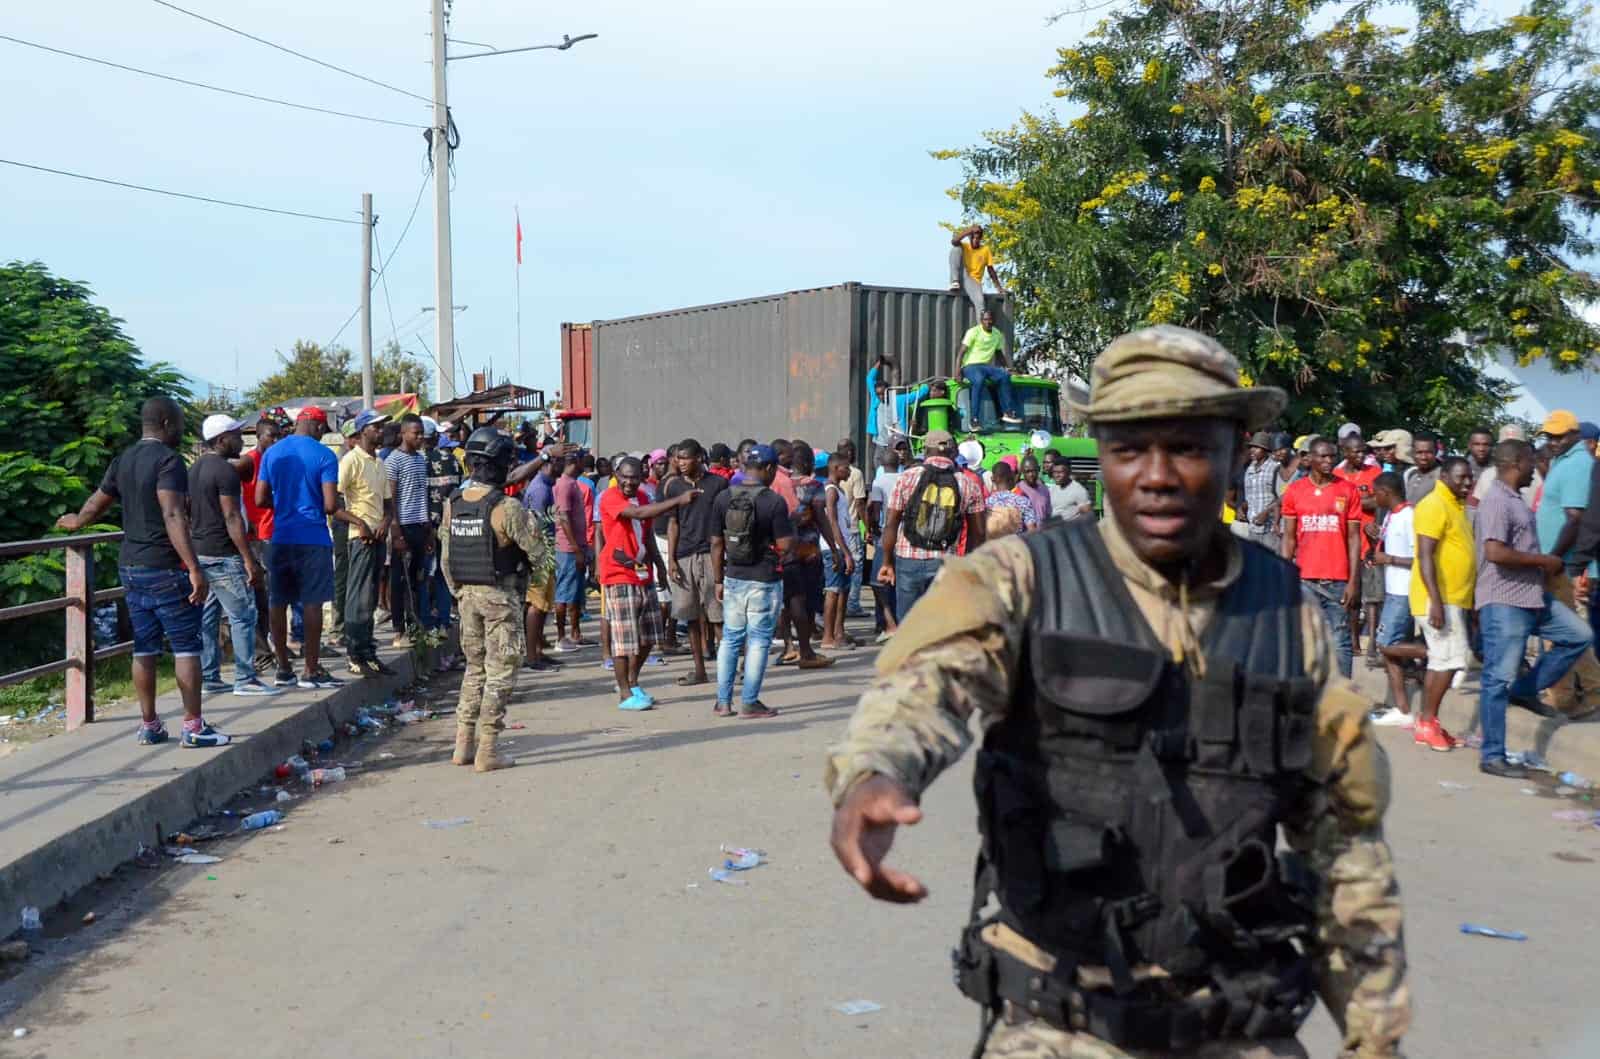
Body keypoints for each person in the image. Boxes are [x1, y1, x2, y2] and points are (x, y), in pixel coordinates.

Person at [826, 325, 1407, 1059]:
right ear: (1101, 453)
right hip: (1057, 1024)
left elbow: (1345, 849)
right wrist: (875, 773)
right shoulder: (1019, 577)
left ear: (1235, 451)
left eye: (1189, 446)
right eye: (1130, 447)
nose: (1157, 474)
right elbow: (923, 684)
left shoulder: (1287, 615)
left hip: (1237, 1021)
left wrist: (1375, 1034)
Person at [56, 397, 231, 747]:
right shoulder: (169, 461)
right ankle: (194, 727)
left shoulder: (124, 458)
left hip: (130, 567)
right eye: (180, 423)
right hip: (163, 566)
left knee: (144, 648)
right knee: (186, 647)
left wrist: (78, 521)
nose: (182, 430)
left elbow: (98, 499)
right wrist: (194, 568)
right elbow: (172, 515)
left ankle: (150, 725)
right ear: (166, 423)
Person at [1476, 439, 1596, 780]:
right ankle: (1492, 755)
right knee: (1497, 677)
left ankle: (1525, 690)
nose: (1536, 466)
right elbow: (1496, 553)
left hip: (1532, 595)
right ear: (1517, 462)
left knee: (1578, 635)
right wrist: (1544, 560)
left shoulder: (1515, 499)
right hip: (1505, 599)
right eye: (1531, 460)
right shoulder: (1498, 500)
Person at [440, 427, 551, 772]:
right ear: (498, 464)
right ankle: (487, 750)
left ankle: (463, 746)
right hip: (500, 597)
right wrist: (531, 587)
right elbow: (539, 555)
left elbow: (446, 560)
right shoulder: (507, 507)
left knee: (474, 670)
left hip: (467, 597)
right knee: (500, 673)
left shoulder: (452, 504)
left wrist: (459, 592)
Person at [600, 457, 698, 709]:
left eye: (634, 477)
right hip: (619, 573)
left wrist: (662, 568)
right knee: (623, 640)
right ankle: (624, 693)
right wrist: (678, 500)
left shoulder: (644, 496)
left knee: (649, 635)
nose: (629, 482)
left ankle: (633, 682)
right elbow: (638, 514)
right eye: (625, 476)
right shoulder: (610, 497)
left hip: (644, 573)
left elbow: (647, 534)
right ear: (616, 475)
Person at [256, 406, 343, 690]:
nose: (322, 435)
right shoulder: (325, 455)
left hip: (280, 537)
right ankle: (310, 669)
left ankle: (283, 668)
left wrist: (283, 507)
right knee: (312, 602)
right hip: (313, 537)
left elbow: (259, 499)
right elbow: (330, 505)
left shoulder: (272, 453)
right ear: (316, 426)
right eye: (322, 430)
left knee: (278, 602)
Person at [190, 414, 274, 697]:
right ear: (222, 439)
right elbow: (232, 516)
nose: (241, 440)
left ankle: (210, 675)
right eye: (237, 435)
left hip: (201, 551)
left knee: (209, 617)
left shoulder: (195, 468)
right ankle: (245, 677)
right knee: (243, 615)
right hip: (224, 554)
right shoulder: (224, 472)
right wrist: (249, 559)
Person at [708, 445, 795, 718]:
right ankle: (749, 702)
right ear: (769, 469)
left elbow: (715, 543)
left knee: (731, 639)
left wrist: (718, 580)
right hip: (764, 580)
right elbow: (784, 546)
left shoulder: (723, 498)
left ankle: (723, 702)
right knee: (758, 641)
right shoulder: (773, 501)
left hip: (733, 577)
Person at [878, 429, 986, 622]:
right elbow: (978, 533)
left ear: (926, 451)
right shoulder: (968, 484)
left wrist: (887, 562)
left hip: (908, 560)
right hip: (945, 562)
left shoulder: (906, 478)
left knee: (908, 624)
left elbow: (891, 524)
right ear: (953, 453)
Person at [1408, 456, 1476, 751]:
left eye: (1469, 477)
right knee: (1446, 662)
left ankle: (1429, 722)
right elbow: (1425, 555)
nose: (1467, 482)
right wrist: (1435, 600)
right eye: (1461, 477)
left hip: (1452, 599)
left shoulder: (1456, 505)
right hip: (1437, 600)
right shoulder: (1434, 504)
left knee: (1445, 661)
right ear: (1445, 476)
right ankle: (1427, 723)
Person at [1280, 437, 1362, 677]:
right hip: (1304, 579)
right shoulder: (1295, 491)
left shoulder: (1347, 490)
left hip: (1337, 581)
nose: (1328, 461)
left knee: (1340, 642)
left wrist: (1353, 581)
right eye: (1323, 456)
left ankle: (1345, 696)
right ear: (1310, 458)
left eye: (1332, 456)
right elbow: (1289, 538)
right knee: (1304, 641)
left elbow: (1354, 539)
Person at [1536, 409, 1600, 713]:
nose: (1552, 442)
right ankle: (1587, 690)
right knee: (1568, 631)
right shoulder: (1565, 460)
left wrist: (1553, 559)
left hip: (1562, 564)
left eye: (1558, 436)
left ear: (1575, 435)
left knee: (1558, 631)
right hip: (1558, 562)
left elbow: (1575, 519)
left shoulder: (1577, 464)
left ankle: (1568, 696)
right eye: (1549, 436)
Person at [665, 439, 729, 686]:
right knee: (690, 615)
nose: (680, 462)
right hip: (684, 556)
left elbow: (725, 522)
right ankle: (699, 670)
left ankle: (727, 670)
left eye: (685, 457)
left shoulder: (718, 484)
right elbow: (673, 523)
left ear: (699, 457)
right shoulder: (674, 487)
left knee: (718, 616)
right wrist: (671, 559)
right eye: (678, 458)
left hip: (712, 556)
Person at [337, 410, 394, 678]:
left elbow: (388, 503)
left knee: (371, 597)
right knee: (357, 596)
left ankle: (368, 652)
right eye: (376, 427)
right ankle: (354, 653)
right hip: (359, 537)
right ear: (362, 432)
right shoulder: (350, 461)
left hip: (378, 535)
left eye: (382, 426)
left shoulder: (379, 463)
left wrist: (385, 522)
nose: (381, 431)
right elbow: (333, 504)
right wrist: (359, 523)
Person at [1369, 473, 1422, 727]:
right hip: (1393, 589)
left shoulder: (1410, 517)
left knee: (1385, 645)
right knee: (1390, 649)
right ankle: (1401, 708)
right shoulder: (1392, 515)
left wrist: (1389, 559)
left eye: (1375, 492)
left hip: (1404, 592)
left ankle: (1435, 654)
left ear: (1386, 492)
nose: (1372, 497)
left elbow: (1420, 559)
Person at [780, 441, 834, 669]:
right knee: (807, 602)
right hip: (809, 553)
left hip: (783, 552)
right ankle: (806, 650)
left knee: (787, 601)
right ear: (808, 463)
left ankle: (788, 646)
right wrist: (834, 548)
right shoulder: (813, 486)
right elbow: (822, 519)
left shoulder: (778, 484)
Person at [1334, 433, 1383, 667]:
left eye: (1363, 451)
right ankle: (1353, 642)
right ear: (1345, 452)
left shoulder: (1374, 473)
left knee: (1372, 597)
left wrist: (1351, 500)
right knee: (1350, 597)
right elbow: (1334, 505)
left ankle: (1372, 643)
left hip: (1369, 543)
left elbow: (1380, 500)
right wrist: (1362, 499)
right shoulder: (1336, 475)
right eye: (1356, 451)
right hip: (1343, 543)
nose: (1361, 455)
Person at [238, 414, 283, 667]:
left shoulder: (276, 461)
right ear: (258, 437)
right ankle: (260, 652)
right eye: (270, 436)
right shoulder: (249, 462)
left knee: (270, 597)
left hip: (276, 532)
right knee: (257, 596)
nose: (275, 441)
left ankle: (269, 647)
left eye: (278, 436)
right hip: (257, 536)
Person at [384, 414, 432, 647]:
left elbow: (423, 495)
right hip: (403, 527)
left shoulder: (421, 459)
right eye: (416, 433)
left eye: (422, 432)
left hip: (420, 526)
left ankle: (415, 625)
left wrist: (428, 528)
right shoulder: (394, 461)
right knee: (399, 580)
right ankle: (398, 630)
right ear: (403, 433)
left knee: (416, 579)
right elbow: (391, 499)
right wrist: (396, 533)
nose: (420, 436)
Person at [519, 453, 563, 673]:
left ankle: (537, 650)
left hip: (546, 551)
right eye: (561, 460)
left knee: (544, 604)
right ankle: (531, 656)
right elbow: (534, 525)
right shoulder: (539, 489)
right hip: (538, 553)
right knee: (536, 604)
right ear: (550, 462)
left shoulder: (546, 485)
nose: (564, 465)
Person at [422, 417, 461, 640]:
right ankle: (444, 620)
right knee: (443, 575)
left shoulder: (418, 460)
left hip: (423, 527)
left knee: (423, 575)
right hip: (449, 525)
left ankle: (427, 622)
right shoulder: (452, 460)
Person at [953, 309, 1022, 427]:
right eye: (985, 319)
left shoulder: (997, 334)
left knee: (1004, 376)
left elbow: (999, 353)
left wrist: (1007, 368)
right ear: (981, 320)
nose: (988, 322)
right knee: (979, 380)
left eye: (990, 319)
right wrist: (957, 372)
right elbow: (961, 353)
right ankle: (974, 419)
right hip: (970, 366)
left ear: (994, 320)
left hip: (985, 366)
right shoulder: (973, 332)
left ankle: (1008, 412)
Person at [821, 451, 861, 650]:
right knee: (834, 591)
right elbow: (832, 522)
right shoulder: (830, 491)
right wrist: (843, 552)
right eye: (846, 467)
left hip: (842, 547)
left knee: (843, 591)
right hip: (834, 550)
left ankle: (839, 633)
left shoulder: (839, 490)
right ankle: (828, 637)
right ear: (836, 469)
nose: (849, 470)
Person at [867, 443, 905, 641]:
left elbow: (875, 508)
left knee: (878, 580)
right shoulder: (904, 479)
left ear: (882, 463)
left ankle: (886, 622)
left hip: (886, 535)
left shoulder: (879, 482)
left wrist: (872, 528)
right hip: (904, 535)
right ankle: (895, 621)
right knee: (898, 580)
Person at [836, 438, 870, 619]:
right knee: (856, 567)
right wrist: (868, 527)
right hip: (852, 529)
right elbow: (860, 503)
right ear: (850, 453)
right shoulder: (855, 473)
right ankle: (853, 604)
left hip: (835, 529)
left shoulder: (831, 470)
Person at [948, 223, 1005, 317]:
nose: (975, 241)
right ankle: (955, 281)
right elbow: (954, 241)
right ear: (970, 238)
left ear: (980, 238)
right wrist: (969, 230)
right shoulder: (965, 246)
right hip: (961, 276)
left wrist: (999, 288)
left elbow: (991, 270)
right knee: (955, 249)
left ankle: (982, 328)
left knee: (980, 301)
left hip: (973, 281)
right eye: (973, 238)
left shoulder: (985, 250)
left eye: (977, 238)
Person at [1239, 430, 1282, 551]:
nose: (1252, 450)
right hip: (1253, 527)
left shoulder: (1275, 467)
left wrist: (1266, 512)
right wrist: (1242, 507)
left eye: (1257, 448)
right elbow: (1251, 496)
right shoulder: (1250, 468)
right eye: (1251, 447)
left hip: (1270, 528)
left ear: (1266, 450)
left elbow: (1284, 496)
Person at [983, 460, 1037, 531]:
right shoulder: (1023, 502)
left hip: (994, 541)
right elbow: (1032, 530)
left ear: (992, 478)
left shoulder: (986, 504)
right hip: (1017, 541)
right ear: (1011, 476)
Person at [1404, 431, 1441, 504]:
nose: (1424, 457)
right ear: (1412, 452)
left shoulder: (1443, 476)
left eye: (1428, 452)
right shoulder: (1411, 474)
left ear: (1436, 452)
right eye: (1419, 452)